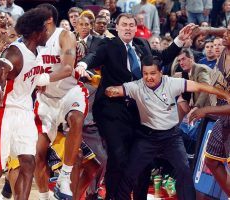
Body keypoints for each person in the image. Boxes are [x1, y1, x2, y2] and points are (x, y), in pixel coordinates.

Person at [75, 13, 196, 199]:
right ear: (117, 27)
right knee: (119, 155)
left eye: (132, 25)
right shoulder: (109, 44)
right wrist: (83, 64)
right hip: (112, 110)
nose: (128, 28)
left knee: (143, 161)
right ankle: (113, 196)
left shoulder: (142, 45)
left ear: (135, 27)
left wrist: (179, 40)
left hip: (138, 111)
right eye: (124, 25)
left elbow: (162, 57)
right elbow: (94, 55)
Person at [105, 55, 230, 199]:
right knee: (129, 173)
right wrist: (109, 89)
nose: (148, 77)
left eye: (152, 73)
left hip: (171, 138)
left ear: (161, 73)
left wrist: (225, 94)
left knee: (184, 172)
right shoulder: (136, 86)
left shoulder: (172, 83)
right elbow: (116, 90)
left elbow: (200, 86)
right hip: (147, 137)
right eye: (145, 74)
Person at [0, 8, 50, 200]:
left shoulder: (38, 52)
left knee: (28, 162)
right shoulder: (16, 50)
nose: (48, 33)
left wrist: (41, 83)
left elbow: (35, 77)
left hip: (25, 113)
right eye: (45, 30)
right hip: (5, 112)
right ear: (37, 32)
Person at [33, 3, 88, 200]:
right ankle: (43, 196)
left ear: (48, 20)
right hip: (46, 100)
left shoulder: (65, 36)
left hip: (69, 92)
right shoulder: (33, 38)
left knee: (76, 119)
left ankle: (64, 177)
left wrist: (43, 78)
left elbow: (66, 68)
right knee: (38, 154)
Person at [189, 27, 230, 196]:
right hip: (224, 116)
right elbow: (223, 31)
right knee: (211, 160)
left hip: (225, 112)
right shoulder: (226, 49)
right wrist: (208, 30)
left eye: (229, 34)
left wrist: (205, 110)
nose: (225, 35)